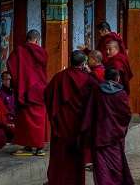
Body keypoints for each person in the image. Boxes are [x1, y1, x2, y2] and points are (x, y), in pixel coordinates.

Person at [44, 50, 99, 185]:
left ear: (70, 61)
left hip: (61, 125)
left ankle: (57, 181)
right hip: (79, 126)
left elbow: (47, 95)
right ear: (83, 63)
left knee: (60, 155)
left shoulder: (59, 77)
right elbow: (97, 98)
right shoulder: (88, 80)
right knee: (76, 156)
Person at [83, 68, 134, 185]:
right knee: (116, 164)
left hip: (99, 134)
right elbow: (126, 114)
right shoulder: (121, 94)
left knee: (101, 166)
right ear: (118, 78)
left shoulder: (97, 90)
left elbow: (90, 110)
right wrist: (121, 128)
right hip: (115, 135)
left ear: (105, 77)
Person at [7, 29, 48, 156]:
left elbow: (10, 65)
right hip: (39, 88)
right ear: (37, 40)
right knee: (40, 118)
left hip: (24, 89)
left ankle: (29, 146)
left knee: (26, 119)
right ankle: (39, 147)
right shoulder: (41, 52)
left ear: (27, 38)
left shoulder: (19, 51)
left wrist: (18, 82)